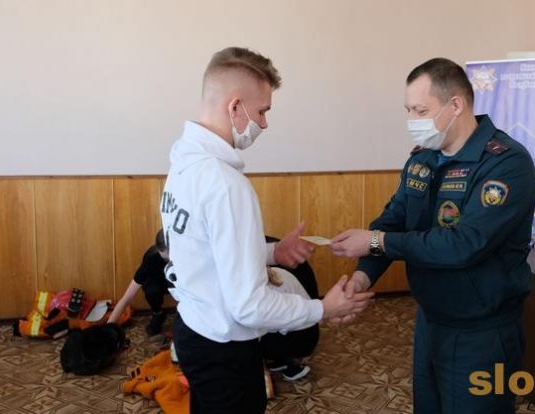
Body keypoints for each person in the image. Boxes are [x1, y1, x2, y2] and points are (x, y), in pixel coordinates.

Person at [160, 47, 374, 414]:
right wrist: (322, 308)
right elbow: (249, 306)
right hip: (224, 348)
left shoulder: (183, 162)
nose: (264, 123)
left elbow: (207, 250)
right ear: (235, 106)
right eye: (262, 111)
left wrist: (273, 253)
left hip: (194, 330)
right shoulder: (225, 184)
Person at [330, 57, 535, 414]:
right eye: (409, 110)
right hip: (430, 320)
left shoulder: (506, 163)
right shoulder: (423, 159)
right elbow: (392, 222)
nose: (412, 120)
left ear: (455, 105)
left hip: (481, 332)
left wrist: (377, 242)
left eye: (421, 110)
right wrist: (363, 277)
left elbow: (463, 245)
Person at [262, 236, 320, 382]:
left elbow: (267, 323)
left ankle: (293, 364)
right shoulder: (272, 273)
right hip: (299, 329)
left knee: (251, 340)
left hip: (303, 335)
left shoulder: (269, 287)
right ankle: (282, 358)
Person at [108, 229, 171, 335]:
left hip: (180, 286)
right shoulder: (151, 258)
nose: (168, 261)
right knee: (150, 289)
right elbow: (126, 298)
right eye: (165, 259)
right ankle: (158, 313)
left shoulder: (189, 254)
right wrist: (107, 328)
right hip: (160, 284)